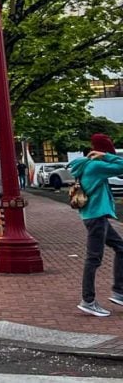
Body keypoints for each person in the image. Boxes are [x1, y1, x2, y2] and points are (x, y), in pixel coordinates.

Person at [68, 133, 123, 317]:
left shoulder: (85, 165)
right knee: (93, 258)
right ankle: (88, 300)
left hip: (94, 215)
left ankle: (119, 292)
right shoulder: (97, 165)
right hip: (97, 217)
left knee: (120, 246)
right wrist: (105, 156)